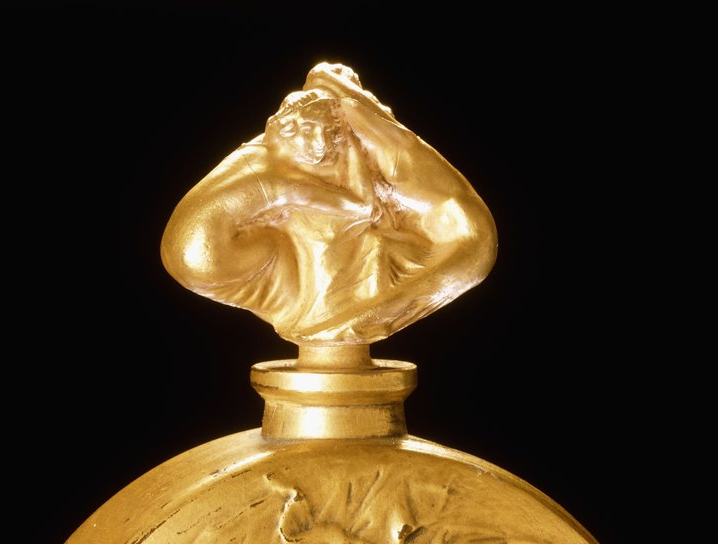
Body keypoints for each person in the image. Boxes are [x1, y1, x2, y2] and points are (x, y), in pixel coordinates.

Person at [161, 63, 497, 344]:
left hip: (462, 237)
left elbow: (367, 198)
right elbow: (360, 205)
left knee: (356, 257)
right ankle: (338, 321)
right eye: (310, 131)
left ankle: (339, 321)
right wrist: (347, 145)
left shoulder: (265, 161)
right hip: (213, 257)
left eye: (329, 134)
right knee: (340, 246)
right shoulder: (278, 178)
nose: (320, 144)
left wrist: (338, 110)